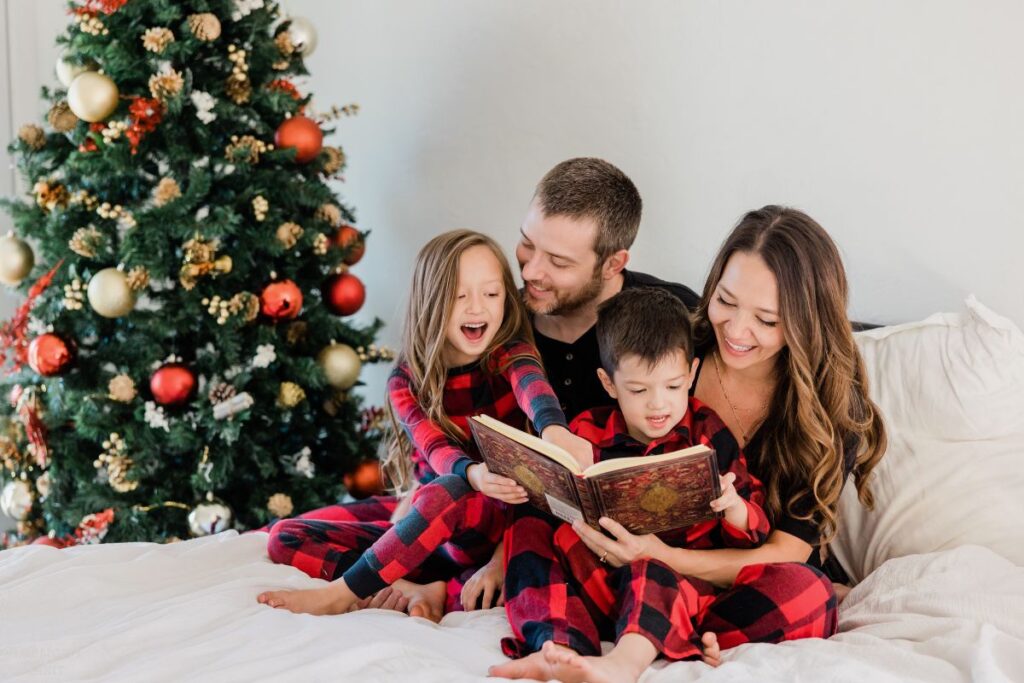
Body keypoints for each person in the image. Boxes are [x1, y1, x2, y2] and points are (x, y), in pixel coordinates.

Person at [500, 206, 887, 681]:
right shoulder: (675, 346)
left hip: (719, 588)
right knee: (534, 523)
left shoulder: (832, 407)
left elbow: (787, 550)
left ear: (807, 323)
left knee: (809, 592)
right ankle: (561, 647)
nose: (737, 331)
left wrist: (660, 556)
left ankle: (666, 634)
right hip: (615, 573)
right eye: (726, 300)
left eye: (767, 320)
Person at [257, 230, 591, 618]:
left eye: (491, 293)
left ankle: (342, 593)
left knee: (448, 490)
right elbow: (436, 449)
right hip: (427, 526)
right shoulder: (406, 380)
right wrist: (470, 474)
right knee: (285, 536)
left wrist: (554, 431)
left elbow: (534, 390)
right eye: (459, 295)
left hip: (494, 523)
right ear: (433, 300)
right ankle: (410, 588)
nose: (477, 308)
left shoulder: (510, 354)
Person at [516, 158, 700, 420]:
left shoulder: (682, 316)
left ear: (613, 264)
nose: (528, 272)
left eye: (558, 262)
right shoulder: (492, 315)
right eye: (527, 243)